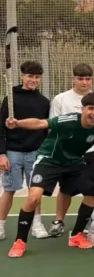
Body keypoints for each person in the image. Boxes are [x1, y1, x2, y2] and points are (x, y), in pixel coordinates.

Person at [6, 92, 94, 257]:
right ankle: (20, 241)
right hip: (49, 160)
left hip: (75, 163)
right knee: (33, 198)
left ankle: (76, 235)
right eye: (91, 108)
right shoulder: (67, 120)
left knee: (91, 192)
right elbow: (40, 123)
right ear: (82, 109)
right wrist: (17, 123)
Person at [0, 60, 50, 241]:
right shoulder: (10, 99)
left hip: (36, 153)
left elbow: (46, 130)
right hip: (12, 152)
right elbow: (1, 128)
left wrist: (44, 153)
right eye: (30, 76)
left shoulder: (44, 102)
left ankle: (36, 225)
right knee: (9, 190)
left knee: (35, 190)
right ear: (22, 75)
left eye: (37, 77)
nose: (33, 80)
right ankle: (0, 226)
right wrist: (2, 154)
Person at [47, 63, 94, 237]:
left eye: (88, 79)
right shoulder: (61, 99)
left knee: (93, 188)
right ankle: (58, 221)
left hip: (92, 151)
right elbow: (53, 126)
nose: (84, 82)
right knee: (66, 189)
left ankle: (90, 221)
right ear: (73, 79)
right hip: (67, 153)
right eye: (80, 78)